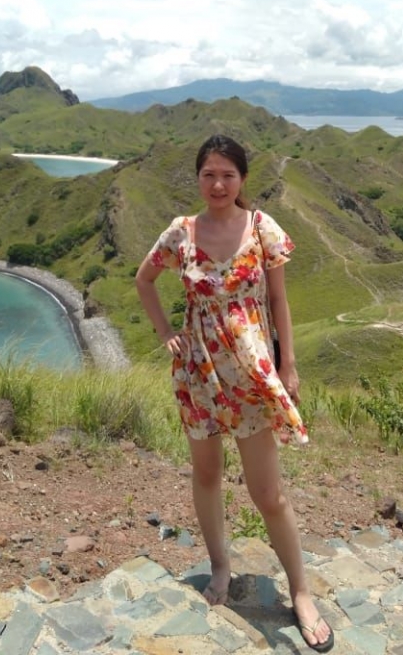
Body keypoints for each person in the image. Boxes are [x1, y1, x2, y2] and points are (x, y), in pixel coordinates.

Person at [135, 134, 334, 653]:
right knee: (206, 473)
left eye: (227, 174)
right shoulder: (181, 233)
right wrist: (165, 334)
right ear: (197, 179)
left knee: (267, 492)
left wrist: (288, 364)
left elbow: (278, 300)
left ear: (242, 178)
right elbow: (144, 281)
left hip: (249, 373)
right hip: (197, 370)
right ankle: (219, 567)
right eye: (208, 174)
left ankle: (301, 592)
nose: (217, 183)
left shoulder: (262, 228)